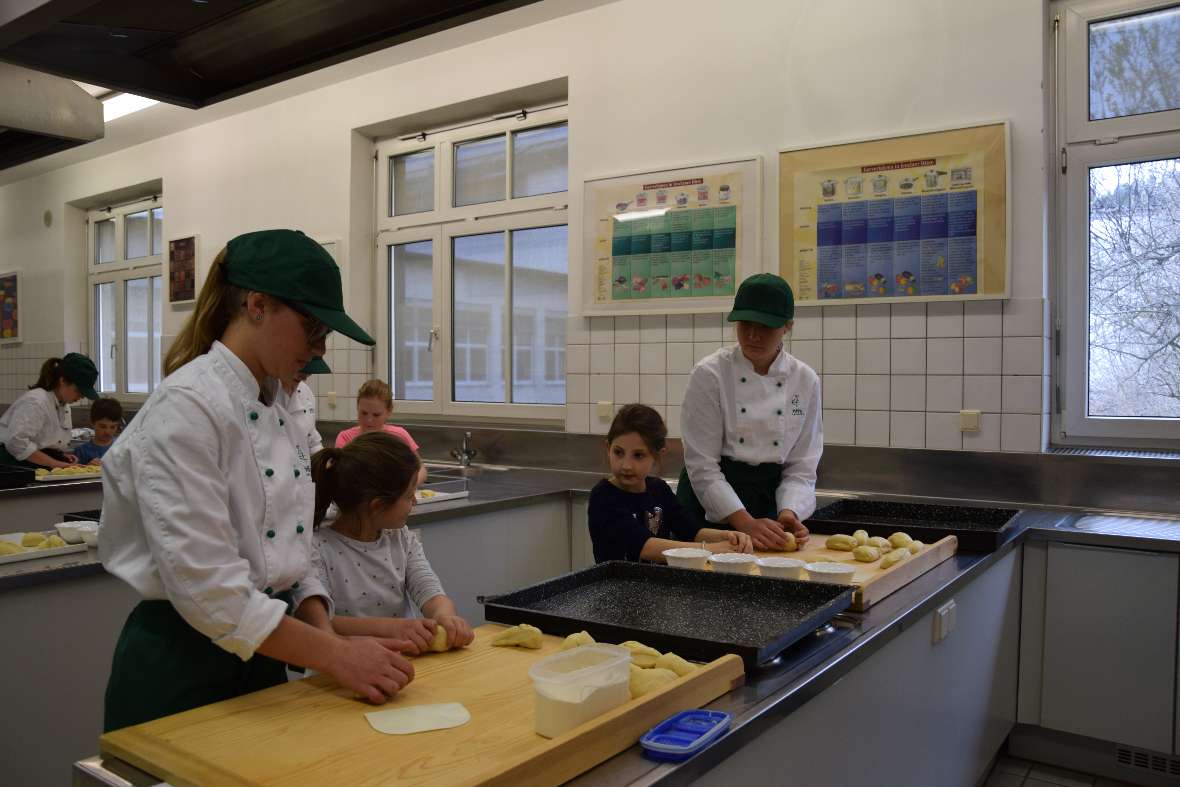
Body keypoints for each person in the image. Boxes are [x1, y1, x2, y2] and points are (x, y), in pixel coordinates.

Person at [99, 229, 414, 732]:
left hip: (265, 653)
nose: (318, 350)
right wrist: (334, 654)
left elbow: (293, 554)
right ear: (258, 305)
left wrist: (328, 638)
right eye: (313, 328)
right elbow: (211, 591)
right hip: (181, 664)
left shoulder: (282, 408)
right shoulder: (188, 407)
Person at [677, 273, 822, 552]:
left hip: (768, 506)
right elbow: (702, 465)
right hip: (709, 505)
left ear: (787, 327)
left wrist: (789, 513)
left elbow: (803, 464)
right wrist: (744, 522)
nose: (753, 336)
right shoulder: (710, 374)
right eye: (745, 325)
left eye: (765, 326)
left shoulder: (805, 380)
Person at [295, 431, 474, 655]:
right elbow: (320, 624)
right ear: (378, 505)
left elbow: (428, 589)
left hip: (397, 664)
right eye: (409, 496)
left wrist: (445, 616)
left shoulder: (400, 538)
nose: (415, 502)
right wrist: (392, 629)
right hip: (337, 670)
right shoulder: (318, 547)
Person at [589, 404, 753, 563]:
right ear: (608, 448)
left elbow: (692, 531)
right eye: (618, 452)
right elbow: (644, 546)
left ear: (658, 455)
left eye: (638, 455)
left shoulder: (658, 489)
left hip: (659, 586)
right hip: (615, 588)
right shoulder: (603, 496)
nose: (626, 465)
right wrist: (710, 549)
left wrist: (727, 536)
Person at [0, 353, 99, 468]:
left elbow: (45, 442)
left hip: (35, 464)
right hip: (13, 466)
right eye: (78, 390)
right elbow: (16, 443)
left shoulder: (64, 405)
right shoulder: (35, 402)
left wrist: (61, 455)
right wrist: (57, 464)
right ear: (62, 381)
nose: (82, 396)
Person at [334, 379, 427, 485]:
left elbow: (421, 470)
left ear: (389, 412)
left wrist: (406, 488)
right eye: (364, 413)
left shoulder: (399, 435)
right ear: (357, 407)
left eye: (376, 415)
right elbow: (338, 474)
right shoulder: (346, 438)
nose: (369, 420)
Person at [281, 356, 328, 456]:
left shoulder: (306, 392)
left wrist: (324, 461)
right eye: (301, 370)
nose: (305, 377)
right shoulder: (264, 392)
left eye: (309, 371)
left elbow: (313, 442)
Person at [74, 397, 123, 465]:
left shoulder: (122, 448)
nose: (107, 432)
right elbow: (75, 473)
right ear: (92, 423)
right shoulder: (81, 451)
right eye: (103, 426)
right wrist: (88, 468)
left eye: (113, 427)